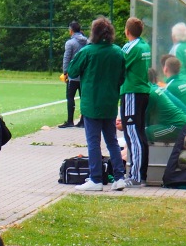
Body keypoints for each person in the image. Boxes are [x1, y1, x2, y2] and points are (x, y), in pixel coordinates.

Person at [67, 16, 126, 191]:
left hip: (92, 103)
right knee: (112, 141)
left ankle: (96, 178)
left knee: (93, 142)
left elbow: (72, 70)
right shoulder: (118, 52)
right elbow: (122, 77)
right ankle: (119, 176)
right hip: (109, 103)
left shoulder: (87, 51)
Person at [120, 17, 151, 188]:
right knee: (139, 133)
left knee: (132, 134)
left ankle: (137, 176)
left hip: (132, 92)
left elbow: (120, 66)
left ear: (127, 31)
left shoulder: (130, 47)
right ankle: (140, 174)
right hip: (143, 91)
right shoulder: (145, 45)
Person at [144, 68, 186, 143]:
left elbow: (143, 119)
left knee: (143, 133)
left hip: (177, 126)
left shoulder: (150, 92)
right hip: (183, 123)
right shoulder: (156, 89)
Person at [59, 21, 87, 128]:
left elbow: (67, 58)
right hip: (84, 75)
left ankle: (70, 120)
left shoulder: (70, 43)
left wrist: (65, 72)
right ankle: (83, 121)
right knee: (83, 97)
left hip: (73, 75)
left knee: (70, 97)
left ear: (71, 30)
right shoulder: (87, 41)